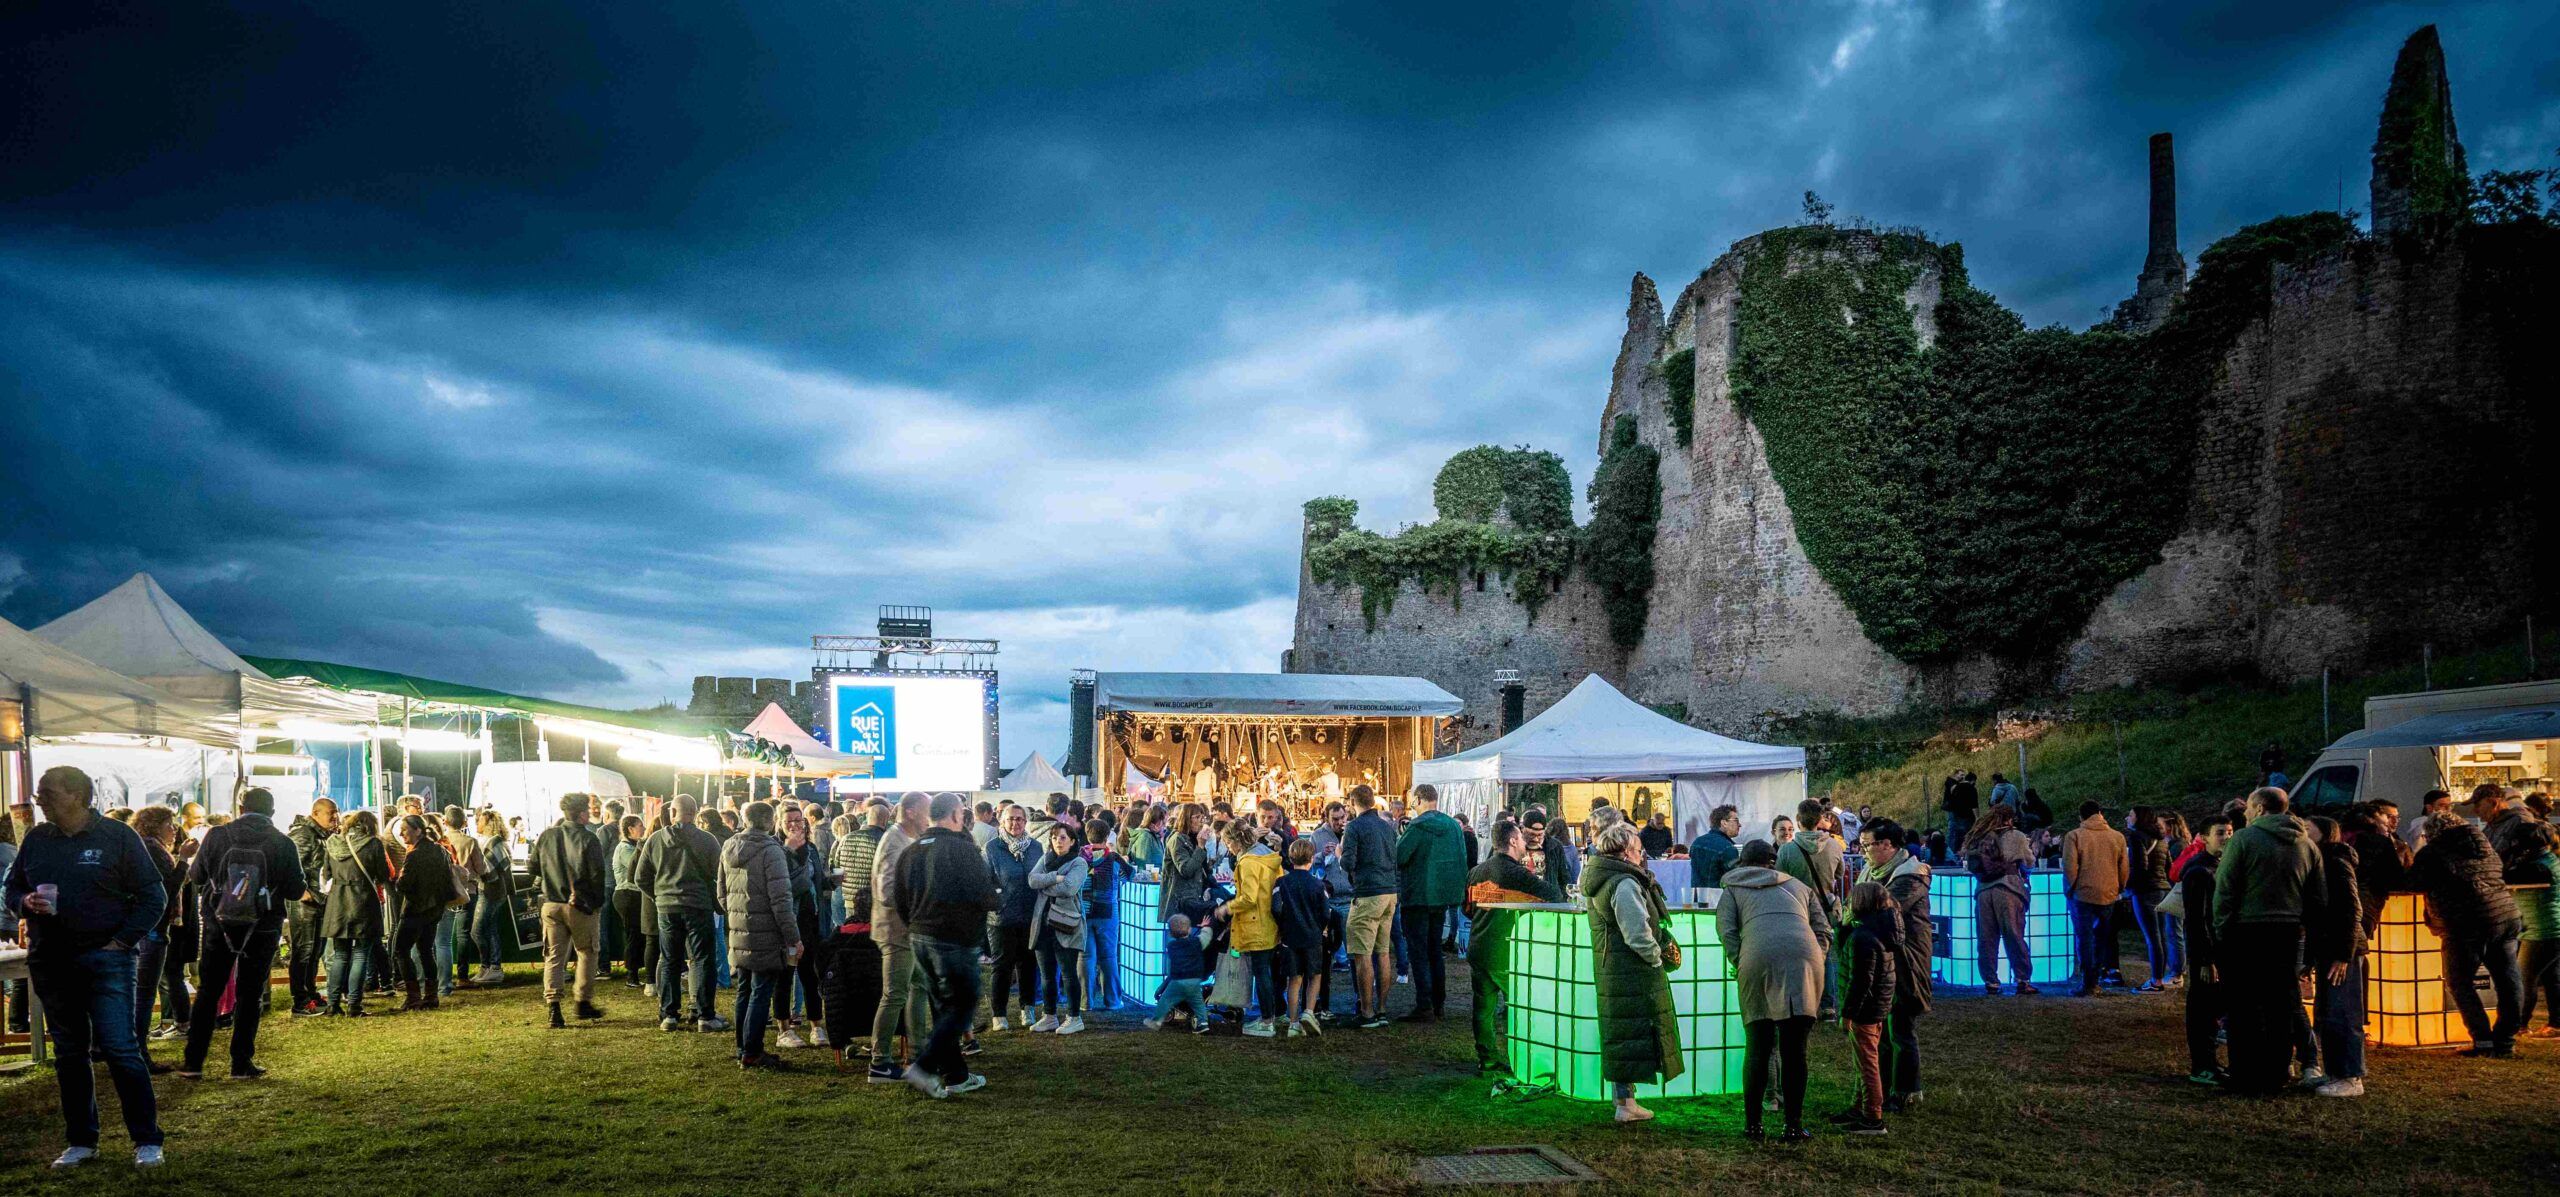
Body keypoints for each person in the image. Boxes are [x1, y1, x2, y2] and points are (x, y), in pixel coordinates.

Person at [5, 767, 168, 1168]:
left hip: (105, 958)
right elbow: (12, 886)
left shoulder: (117, 837)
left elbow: (153, 894)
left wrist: (122, 941)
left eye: (47, 792)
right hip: (52, 958)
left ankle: (147, 1141)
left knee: (121, 1049)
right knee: (69, 1052)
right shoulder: (38, 839)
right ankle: (82, 1141)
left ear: (77, 795)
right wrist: (24, 902)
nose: (39, 798)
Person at [171, 785, 306, 1081]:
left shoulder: (218, 835)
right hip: (263, 926)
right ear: (271, 811)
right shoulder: (282, 843)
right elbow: (296, 891)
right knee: (250, 993)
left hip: (219, 924)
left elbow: (196, 877)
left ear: (242, 808)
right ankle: (240, 1063)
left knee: (208, 992)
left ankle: (193, 1062)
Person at [2212, 786, 2327, 1093]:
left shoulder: (2244, 840)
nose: (2246, 814)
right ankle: (2277, 1073)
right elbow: (2317, 896)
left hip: (2246, 931)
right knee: (2281, 1004)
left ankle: (2246, 1074)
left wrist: (2222, 931)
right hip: (2288, 932)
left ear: (2260, 809)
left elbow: (2225, 889)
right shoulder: (2307, 845)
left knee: (2243, 1005)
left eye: (2249, 808)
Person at [1716, 838, 1827, 1140]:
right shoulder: (1800, 888)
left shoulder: (1733, 890)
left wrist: (1740, 960)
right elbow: (1823, 928)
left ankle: (1754, 1125)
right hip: (1805, 960)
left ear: (1742, 864)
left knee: (1758, 1046)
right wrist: (1817, 955)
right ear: (1773, 862)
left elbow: (1726, 931)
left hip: (1756, 960)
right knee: (1795, 1050)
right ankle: (1793, 1125)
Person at [895, 792, 999, 1097]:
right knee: (962, 1005)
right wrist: (996, 899)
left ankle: (955, 1075)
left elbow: (899, 898)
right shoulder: (961, 849)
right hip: (953, 938)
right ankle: (924, 1067)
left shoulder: (912, 850)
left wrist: (915, 924)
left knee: (944, 1007)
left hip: (920, 936)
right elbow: (984, 894)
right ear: (955, 815)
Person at [1583, 821, 1680, 1125]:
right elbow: (1637, 933)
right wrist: (1655, 958)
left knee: (1622, 1032)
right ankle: (1626, 1103)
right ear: (1626, 851)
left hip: (1615, 967)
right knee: (1630, 1032)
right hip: (1631, 968)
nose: (1642, 855)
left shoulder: (1604, 877)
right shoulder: (1623, 883)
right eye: (1639, 849)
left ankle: (1625, 1100)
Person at [2412, 797, 2523, 1058]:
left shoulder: (2434, 851)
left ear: (2432, 832)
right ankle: (2505, 1041)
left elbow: (2414, 883)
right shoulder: (2484, 845)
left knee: (2459, 981)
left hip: (2465, 923)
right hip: (2505, 916)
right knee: (2508, 981)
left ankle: (2483, 1040)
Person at [1465, 819, 1562, 1079]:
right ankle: (1526, 1059)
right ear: (1512, 841)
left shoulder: (1476, 872)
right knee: (1522, 1006)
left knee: (1483, 1008)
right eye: (1520, 838)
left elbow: (1466, 909)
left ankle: (1487, 1059)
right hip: (1506, 949)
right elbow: (1554, 897)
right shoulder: (1517, 874)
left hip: (1479, 947)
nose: (1523, 844)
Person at [717, 800, 802, 1069]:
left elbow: (720, 892)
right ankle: (752, 1051)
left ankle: (743, 1046)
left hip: (740, 928)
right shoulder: (771, 851)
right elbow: (781, 899)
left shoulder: (729, 846)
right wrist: (793, 937)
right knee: (760, 991)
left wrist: (736, 914)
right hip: (766, 932)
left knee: (745, 989)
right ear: (770, 822)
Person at [634, 794, 727, 1034]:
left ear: (672, 812)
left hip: (667, 908)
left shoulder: (655, 840)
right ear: (694, 813)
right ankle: (705, 1015)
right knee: (703, 959)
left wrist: (659, 896)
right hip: (698, 907)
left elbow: (639, 877)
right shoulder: (708, 841)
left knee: (669, 960)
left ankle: (669, 1015)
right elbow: (721, 875)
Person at [1856, 819, 1932, 1111]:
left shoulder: (1909, 877)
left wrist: (1855, 914)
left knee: (1900, 1027)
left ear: (1887, 845)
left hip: (1905, 961)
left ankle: (1907, 1091)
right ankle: (1884, 1089)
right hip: (1882, 960)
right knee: (1882, 1030)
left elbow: (1885, 912)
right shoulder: (1872, 871)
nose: (1863, 852)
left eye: (1867, 845)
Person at [863, 793, 933, 1082]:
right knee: (894, 995)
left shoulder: (904, 839)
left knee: (918, 985)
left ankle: (918, 1052)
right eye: (928, 811)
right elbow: (887, 892)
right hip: (895, 931)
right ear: (913, 812)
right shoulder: (894, 842)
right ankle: (880, 1062)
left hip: (906, 929)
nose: (930, 817)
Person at [531, 793, 609, 1029]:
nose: (591, 812)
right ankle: (582, 1001)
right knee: (587, 952)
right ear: (581, 813)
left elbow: (532, 865)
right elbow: (597, 875)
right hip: (579, 905)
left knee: (554, 956)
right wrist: (596, 903)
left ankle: (553, 1007)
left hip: (551, 903)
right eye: (588, 809)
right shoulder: (589, 839)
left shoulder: (547, 835)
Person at [2303, 815, 2366, 1097]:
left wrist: (2344, 954)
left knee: (2343, 1011)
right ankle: (2335, 1072)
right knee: (2327, 1012)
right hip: (2329, 947)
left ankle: (2351, 1076)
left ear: (2326, 833)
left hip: (2342, 949)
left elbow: (2352, 909)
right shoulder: (2317, 861)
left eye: (2307, 828)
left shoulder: (2335, 862)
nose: (2302, 831)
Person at [1393, 784, 1466, 1024]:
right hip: (1442, 897)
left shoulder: (1417, 826)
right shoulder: (1453, 827)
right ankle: (1439, 1003)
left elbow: (1400, 856)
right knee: (1435, 950)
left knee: (1418, 951)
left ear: (1418, 800)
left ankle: (1424, 1004)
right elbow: (1462, 859)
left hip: (1417, 896)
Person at [2174, 815, 2233, 1085]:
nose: (2227, 837)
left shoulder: (2220, 867)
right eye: (2220, 832)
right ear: (2204, 837)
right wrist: (2205, 959)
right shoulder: (2198, 871)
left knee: (2212, 1009)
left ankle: (2209, 1063)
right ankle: (2202, 1066)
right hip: (2205, 954)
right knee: (2202, 1011)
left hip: (2218, 950)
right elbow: (2197, 919)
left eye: (2230, 831)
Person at [1838, 881, 1898, 1136]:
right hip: (1878, 1005)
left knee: (1867, 1063)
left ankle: (1873, 1116)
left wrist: (1848, 1013)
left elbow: (1860, 980)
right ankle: (1858, 1106)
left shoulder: (1863, 937)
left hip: (1865, 1009)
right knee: (1862, 1060)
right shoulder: (1882, 931)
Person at [1340, 786, 1402, 1028]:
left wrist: (1339, 853)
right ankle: (1382, 1010)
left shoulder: (1354, 827)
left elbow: (1348, 862)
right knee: (1383, 952)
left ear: (1354, 802)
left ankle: (1366, 1012)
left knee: (1362, 954)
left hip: (1367, 894)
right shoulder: (1388, 826)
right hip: (1389, 892)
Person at [388, 814, 461, 1014]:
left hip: (415, 910)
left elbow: (404, 884)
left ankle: (413, 997)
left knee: (401, 951)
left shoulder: (414, 855)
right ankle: (431, 995)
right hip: (434, 910)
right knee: (426, 950)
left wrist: (398, 881)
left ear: (418, 830)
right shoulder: (440, 850)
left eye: (405, 829)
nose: (401, 834)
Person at [1962, 804, 2036, 995]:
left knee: (1986, 938)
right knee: (2014, 935)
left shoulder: (1979, 835)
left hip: (1983, 891)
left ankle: (1991, 981)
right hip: (2008, 888)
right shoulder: (2017, 836)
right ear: (2010, 819)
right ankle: (2022, 979)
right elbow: (2029, 862)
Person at [1029, 823, 1091, 1034]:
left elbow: (1069, 888)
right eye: (1055, 837)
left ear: (1072, 840)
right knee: (1046, 974)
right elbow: (1031, 880)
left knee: (1068, 973)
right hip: (1042, 925)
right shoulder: (1045, 859)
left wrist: (1044, 884)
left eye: (1063, 837)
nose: (1058, 841)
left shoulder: (1079, 862)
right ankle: (1049, 1016)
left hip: (1066, 924)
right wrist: (1054, 878)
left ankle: (1074, 1017)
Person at [2062, 801, 2129, 996]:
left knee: (2084, 938)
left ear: (2080, 817)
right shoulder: (2117, 837)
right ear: (2100, 813)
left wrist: (2070, 889)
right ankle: (2097, 978)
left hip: (2082, 894)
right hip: (2108, 893)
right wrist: (2119, 888)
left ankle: (2087, 981)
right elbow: (2124, 867)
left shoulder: (2074, 836)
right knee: (2102, 937)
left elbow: (2070, 867)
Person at [776, 803, 830, 1048]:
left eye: (798, 820)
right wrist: (789, 851)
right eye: (789, 821)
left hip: (810, 918)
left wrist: (829, 882)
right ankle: (784, 1028)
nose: (795, 825)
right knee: (785, 974)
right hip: (788, 920)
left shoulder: (811, 849)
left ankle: (816, 1025)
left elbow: (813, 881)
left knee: (810, 973)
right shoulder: (776, 849)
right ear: (779, 823)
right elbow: (784, 886)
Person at [983, 806, 1040, 1030]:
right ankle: (999, 1013)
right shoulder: (992, 848)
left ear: (1026, 822)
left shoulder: (1035, 848)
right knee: (1002, 966)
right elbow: (986, 880)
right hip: (1001, 919)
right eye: (1010, 819)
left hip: (1029, 917)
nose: (1015, 823)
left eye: (1019, 819)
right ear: (1002, 821)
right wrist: (998, 901)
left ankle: (1028, 1009)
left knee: (1028, 964)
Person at [1271, 837, 1330, 1037]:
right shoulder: (1317, 884)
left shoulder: (1282, 882)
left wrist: (1283, 926)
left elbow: (1276, 908)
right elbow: (1325, 912)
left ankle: (1294, 1022)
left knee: (1294, 980)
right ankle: (1309, 1011)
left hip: (1290, 937)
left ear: (1290, 857)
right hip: (1313, 936)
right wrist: (1320, 927)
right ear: (1311, 859)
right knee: (1315, 976)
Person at [284, 798, 336, 1016]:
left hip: (319, 898)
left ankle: (310, 991)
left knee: (316, 949)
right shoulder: (303, 834)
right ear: (316, 813)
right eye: (331, 813)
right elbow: (289, 864)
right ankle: (300, 998)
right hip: (304, 900)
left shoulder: (323, 836)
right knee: (304, 948)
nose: (335, 818)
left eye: (336, 813)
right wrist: (301, 890)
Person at [2512, 818, 2560, 1040]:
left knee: (2524, 977)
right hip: (2551, 925)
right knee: (2552, 977)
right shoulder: (2551, 860)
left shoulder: (2537, 867)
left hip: (2540, 928)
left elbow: (2509, 879)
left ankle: (2520, 1024)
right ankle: (2555, 1024)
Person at [1307, 800, 1355, 1020]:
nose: (1339, 823)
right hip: (1327, 901)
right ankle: (1320, 1003)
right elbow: (1306, 862)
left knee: (1354, 952)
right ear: (1326, 817)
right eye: (1334, 819)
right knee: (1324, 957)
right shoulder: (1317, 836)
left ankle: (1359, 997)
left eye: (1342, 818)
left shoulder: (1351, 832)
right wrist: (1319, 857)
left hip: (1348, 898)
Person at [1081, 819, 1125, 1011]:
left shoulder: (1079, 857)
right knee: (1108, 957)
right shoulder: (1113, 858)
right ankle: (1113, 1000)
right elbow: (1129, 874)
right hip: (1108, 911)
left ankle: (1085, 1002)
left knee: (1085, 957)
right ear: (1107, 836)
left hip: (1083, 911)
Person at [1143, 913, 1212, 1032]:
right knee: (1198, 1003)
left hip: (1178, 980)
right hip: (1194, 979)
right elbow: (1206, 937)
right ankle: (1203, 1023)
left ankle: (1157, 1021)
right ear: (1190, 929)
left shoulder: (1172, 946)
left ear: (1170, 933)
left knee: (1166, 1000)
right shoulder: (1196, 942)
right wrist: (1205, 927)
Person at [609, 814, 649, 991]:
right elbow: (639, 867)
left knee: (639, 935)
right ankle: (631, 975)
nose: (643, 828)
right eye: (640, 826)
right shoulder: (624, 848)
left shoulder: (632, 846)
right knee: (633, 934)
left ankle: (636, 971)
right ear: (630, 829)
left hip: (634, 896)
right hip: (627, 895)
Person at [1688, 805, 1741, 892]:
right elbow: (1735, 879)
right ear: (1724, 823)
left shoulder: (1696, 843)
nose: (1739, 825)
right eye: (1736, 821)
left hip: (1697, 897)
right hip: (1719, 898)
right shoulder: (1728, 848)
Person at [1940, 772, 1980, 852]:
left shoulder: (1956, 788)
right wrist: (1977, 817)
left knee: (1957, 837)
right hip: (1968, 817)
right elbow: (1974, 805)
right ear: (1973, 781)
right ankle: (1966, 854)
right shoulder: (1972, 788)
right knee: (1967, 837)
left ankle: (1954, 853)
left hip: (1957, 816)